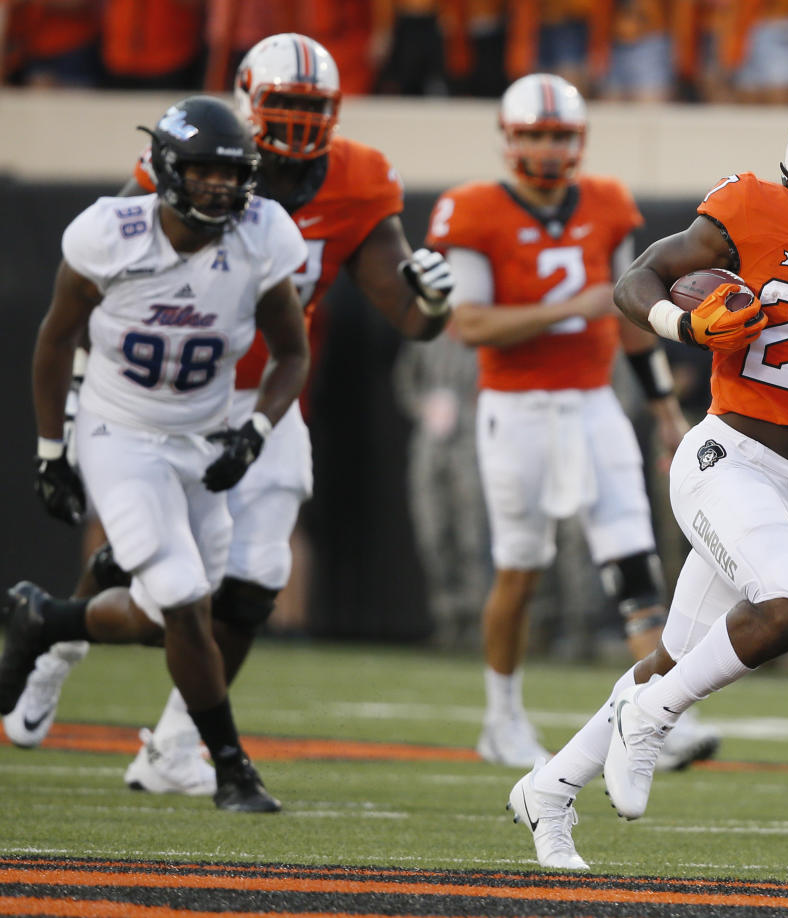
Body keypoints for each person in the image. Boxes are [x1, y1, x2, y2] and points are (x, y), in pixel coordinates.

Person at [505, 94, 788, 870]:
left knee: (676, 658)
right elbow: (635, 282)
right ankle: (651, 720)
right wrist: (686, 326)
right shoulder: (748, 208)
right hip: (726, 457)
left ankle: (550, 788)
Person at [3, 33, 455, 794]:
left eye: (315, 109)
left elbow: (408, 315)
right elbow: (100, 287)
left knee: (254, 578)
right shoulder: (194, 160)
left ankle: (177, 744)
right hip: (160, 396)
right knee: (139, 564)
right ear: (247, 101)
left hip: (266, 397)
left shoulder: (359, 180)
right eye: (285, 106)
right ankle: (55, 648)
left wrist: (437, 307)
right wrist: (79, 395)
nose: (301, 124)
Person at [0, 95, 311, 812]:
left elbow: (292, 353)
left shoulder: (263, 235)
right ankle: (232, 770)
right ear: (168, 170)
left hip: (203, 438)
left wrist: (255, 431)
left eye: (232, 174)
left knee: (159, 617)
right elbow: (54, 341)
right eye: (203, 172)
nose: (219, 188)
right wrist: (54, 447)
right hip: (122, 433)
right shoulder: (111, 233)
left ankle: (44, 618)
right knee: (182, 601)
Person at [425, 72, 719, 772]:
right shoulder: (471, 209)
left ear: (578, 140)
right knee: (520, 569)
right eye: (534, 134)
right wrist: (569, 308)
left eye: (558, 134)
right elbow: (467, 322)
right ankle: (501, 716)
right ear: (509, 138)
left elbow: (635, 323)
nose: (548, 147)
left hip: (594, 404)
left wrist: (665, 409)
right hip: (516, 410)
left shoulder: (608, 203)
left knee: (634, 561)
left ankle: (661, 714)